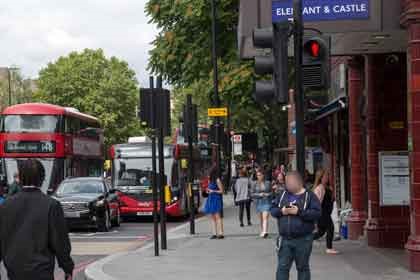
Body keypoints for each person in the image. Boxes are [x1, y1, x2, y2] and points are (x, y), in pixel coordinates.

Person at [0, 159, 74, 280]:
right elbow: (60, 242)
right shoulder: (51, 205)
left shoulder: (5, 206)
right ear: (42, 179)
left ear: (20, 178)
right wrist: (67, 268)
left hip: (14, 271)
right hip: (41, 271)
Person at [271, 171, 321, 280]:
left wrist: (299, 212)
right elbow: (273, 210)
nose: (286, 185)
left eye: (288, 182)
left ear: (298, 182)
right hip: (285, 239)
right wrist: (281, 211)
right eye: (286, 182)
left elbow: (317, 213)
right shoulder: (282, 194)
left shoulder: (309, 196)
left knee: (302, 267)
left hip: (303, 239)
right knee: (282, 267)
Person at [312, 169, 339, 254]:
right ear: (320, 178)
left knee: (321, 232)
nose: (327, 178)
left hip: (326, 212)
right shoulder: (319, 188)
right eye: (325, 176)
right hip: (322, 213)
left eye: (327, 176)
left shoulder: (326, 187)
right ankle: (329, 248)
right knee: (330, 228)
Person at [204, 166, 225, 239]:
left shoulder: (217, 180)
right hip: (211, 198)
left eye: (209, 173)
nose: (208, 174)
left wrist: (213, 191)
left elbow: (222, 191)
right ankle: (214, 233)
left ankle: (220, 233)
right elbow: (209, 189)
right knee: (212, 217)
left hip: (216, 198)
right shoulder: (210, 180)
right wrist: (208, 190)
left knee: (217, 216)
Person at [251, 169, 272, 238]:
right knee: (261, 218)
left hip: (266, 201)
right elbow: (252, 194)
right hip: (258, 202)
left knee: (265, 216)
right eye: (257, 175)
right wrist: (259, 195)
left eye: (260, 175)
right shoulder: (254, 183)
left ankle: (265, 231)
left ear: (263, 175)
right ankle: (263, 230)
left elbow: (272, 193)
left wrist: (267, 194)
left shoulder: (268, 183)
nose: (259, 176)